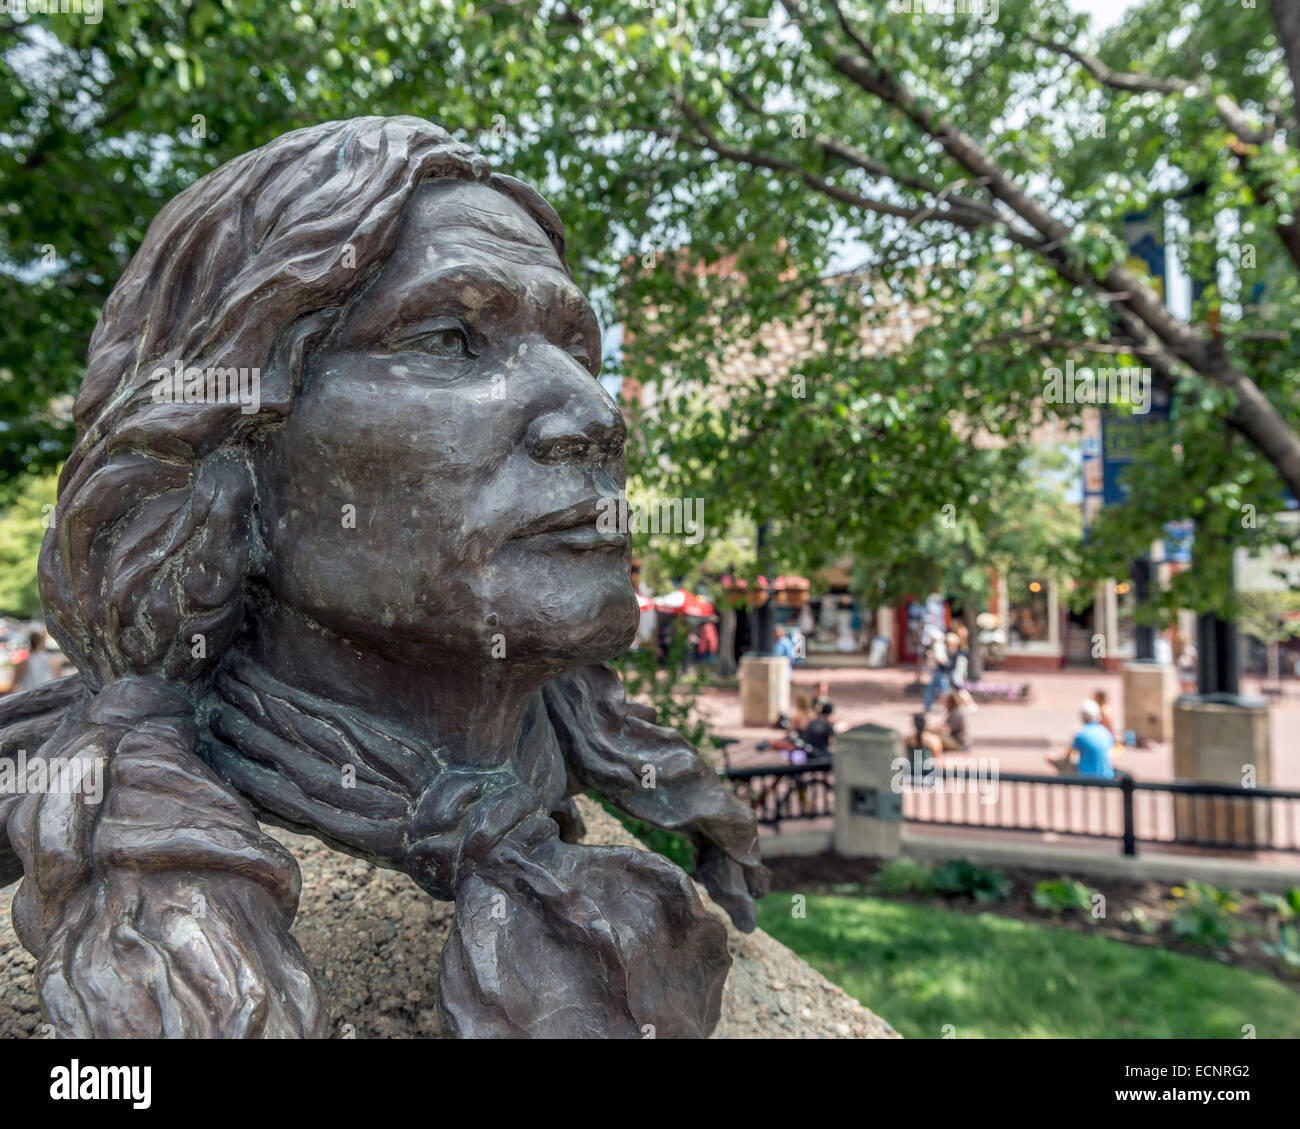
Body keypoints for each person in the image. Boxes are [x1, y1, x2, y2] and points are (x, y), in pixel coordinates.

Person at [1047, 700, 1116, 778]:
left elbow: (1068, 755)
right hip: (1106, 774)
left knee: (1051, 757)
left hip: (1086, 775)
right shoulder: (1105, 731)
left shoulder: (1081, 733)